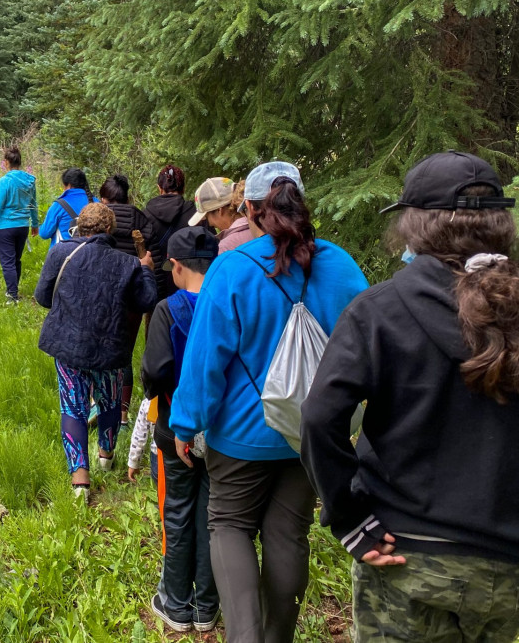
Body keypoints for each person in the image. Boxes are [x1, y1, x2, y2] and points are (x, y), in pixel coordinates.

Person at [302, 151, 519, 643]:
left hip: (404, 554)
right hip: (513, 566)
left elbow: (318, 418)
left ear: (415, 226)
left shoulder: (380, 311)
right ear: (501, 223)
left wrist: (349, 516)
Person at [169, 161, 368, 643]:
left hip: (240, 434)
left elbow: (204, 358)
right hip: (310, 432)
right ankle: (278, 636)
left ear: (250, 209)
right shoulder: (340, 266)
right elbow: (368, 345)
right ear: (300, 201)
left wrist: (185, 423)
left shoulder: (233, 268)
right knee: (288, 536)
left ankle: (244, 637)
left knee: (229, 525)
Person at [34, 203, 156, 500]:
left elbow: (42, 298)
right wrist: (148, 271)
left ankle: (80, 482)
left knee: (72, 406)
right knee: (109, 402)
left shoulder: (60, 252)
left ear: (80, 226)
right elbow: (147, 300)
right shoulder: (126, 263)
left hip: (68, 346)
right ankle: (106, 454)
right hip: (110, 348)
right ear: (110, 229)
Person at [142, 225, 222, 634]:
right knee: (213, 516)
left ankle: (176, 602)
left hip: (176, 426)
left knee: (178, 511)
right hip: (224, 430)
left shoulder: (168, 309)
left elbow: (155, 370)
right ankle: (207, 605)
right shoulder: (228, 301)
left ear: (175, 266)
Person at [99, 174, 159, 422]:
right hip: (133, 294)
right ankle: (123, 414)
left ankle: (100, 406)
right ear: (128, 196)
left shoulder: (97, 217)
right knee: (124, 352)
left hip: (103, 293)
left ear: (104, 198)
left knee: (101, 348)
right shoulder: (141, 218)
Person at [0, 146, 38, 301]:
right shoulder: (29, 180)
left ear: (6, 162)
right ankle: (13, 289)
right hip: (23, 226)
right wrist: (35, 224)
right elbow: (33, 204)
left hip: (6, 227)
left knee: (7, 262)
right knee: (15, 260)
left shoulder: (4, 181)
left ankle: (12, 295)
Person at [144, 165, 197, 300]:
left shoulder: (145, 216)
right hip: (191, 288)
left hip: (158, 287)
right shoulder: (196, 215)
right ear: (183, 188)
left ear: (159, 188)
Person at [191, 177, 253, 253]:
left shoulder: (226, 248)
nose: (210, 224)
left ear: (219, 210)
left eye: (207, 216)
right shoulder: (264, 224)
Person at [38, 168, 95, 246]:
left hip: (65, 253)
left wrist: (39, 227)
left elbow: (44, 233)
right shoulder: (96, 202)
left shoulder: (59, 205)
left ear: (69, 185)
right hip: (91, 253)